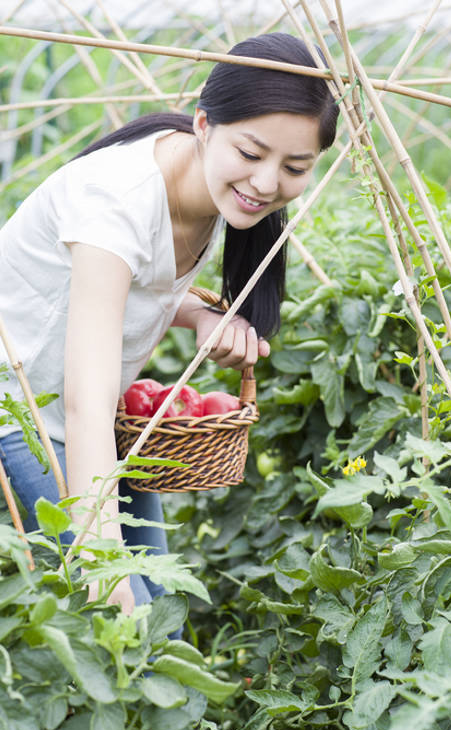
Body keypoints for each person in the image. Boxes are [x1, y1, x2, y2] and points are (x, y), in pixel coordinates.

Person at [0, 32, 339, 614]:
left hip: (89, 421)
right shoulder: (117, 200)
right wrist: (106, 577)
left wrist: (201, 316)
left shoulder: (209, 192)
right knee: (95, 608)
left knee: (157, 610)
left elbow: (131, 286)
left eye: (295, 166)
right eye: (252, 154)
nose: (266, 183)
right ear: (203, 125)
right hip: (21, 410)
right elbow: (86, 402)